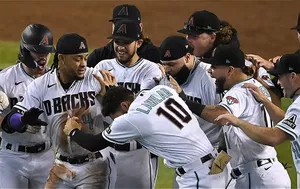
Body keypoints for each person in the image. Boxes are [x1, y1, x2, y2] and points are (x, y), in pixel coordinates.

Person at [1, 33, 117, 188]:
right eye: (77, 59)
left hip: (95, 164)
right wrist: (22, 120)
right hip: (62, 166)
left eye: (85, 57)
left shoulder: (95, 78)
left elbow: (124, 110)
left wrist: (112, 96)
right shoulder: (40, 85)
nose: (83, 63)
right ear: (61, 59)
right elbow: (10, 121)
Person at [173, 45, 291, 188]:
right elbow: (229, 136)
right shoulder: (254, 86)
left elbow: (219, 115)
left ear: (229, 70)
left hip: (258, 177)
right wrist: (217, 168)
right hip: (265, 173)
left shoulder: (239, 91)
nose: (210, 72)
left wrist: (184, 99)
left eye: (215, 67)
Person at [62, 85, 220, 188]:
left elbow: (95, 144)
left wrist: (73, 130)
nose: (117, 122)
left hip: (198, 176)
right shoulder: (162, 90)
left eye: (116, 117)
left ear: (124, 106)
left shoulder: (132, 118)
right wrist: (113, 92)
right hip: (215, 164)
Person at [215, 53, 300, 188]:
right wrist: (265, 101)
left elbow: (274, 137)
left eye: (280, 77)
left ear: (293, 76)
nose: (278, 82)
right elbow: (286, 121)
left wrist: (238, 122)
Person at [158, 35, 235, 188]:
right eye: (164, 65)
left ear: (187, 57)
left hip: (211, 162)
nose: (167, 70)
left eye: (172, 64)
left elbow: (229, 119)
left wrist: (223, 156)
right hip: (184, 163)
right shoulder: (166, 79)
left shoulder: (210, 78)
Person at [95, 19, 162, 189]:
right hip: (106, 151)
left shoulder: (150, 70)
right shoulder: (102, 67)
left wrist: (112, 93)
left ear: (139, 43)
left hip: (138, 154)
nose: (120, 47)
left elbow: (140, 110)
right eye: (117, 41)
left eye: (126, 42)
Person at [0, 24, 55, 189]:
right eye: (37, 52)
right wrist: (14, 123)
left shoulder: (56, 80)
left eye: (46, 52)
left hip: (46, 157)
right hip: (12, 158)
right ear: (25, 51)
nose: (43, 57)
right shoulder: (5, 79)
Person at [87, 4, 160, 67]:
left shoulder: (156, 56)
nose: (122, 28)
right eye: (118, 23)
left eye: (129, 25)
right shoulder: (99, 57)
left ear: (140, 27)